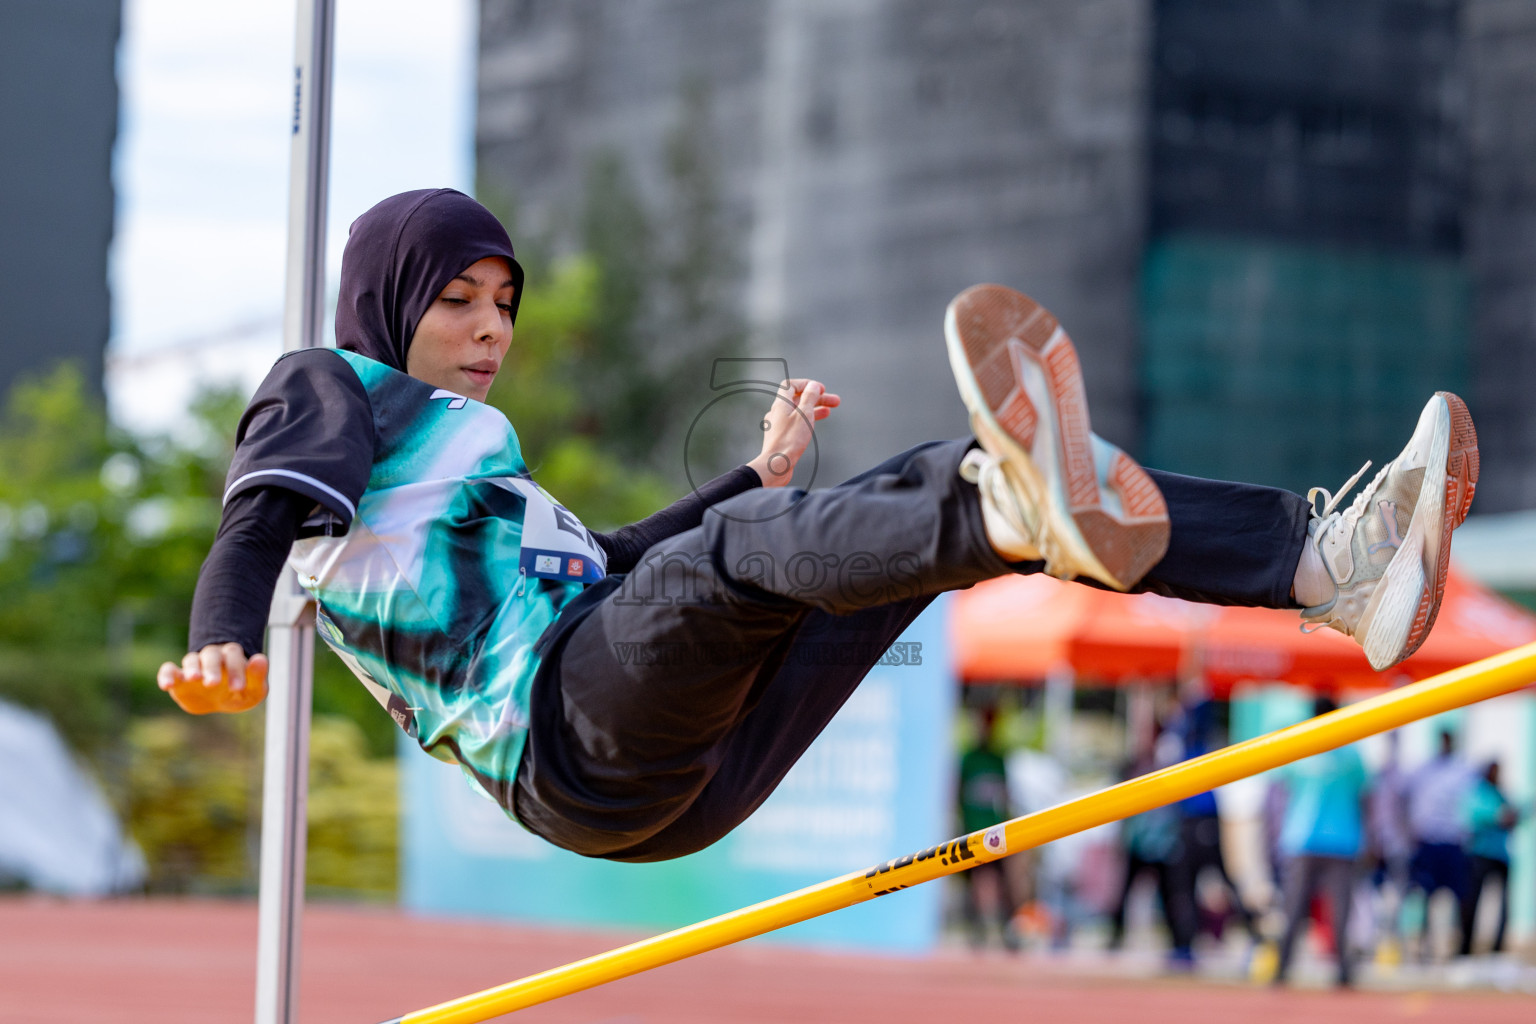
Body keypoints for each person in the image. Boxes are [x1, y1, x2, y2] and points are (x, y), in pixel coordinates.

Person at [156, 188, 1481, 863]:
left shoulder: (476, 471)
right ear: (385, 303)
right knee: (859, 531)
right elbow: (262, 515)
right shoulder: (332, 389)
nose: (492, 331)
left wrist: (751, 477)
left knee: (918, 503)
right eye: (458, 301)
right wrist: (225, 637)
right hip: (566, 739)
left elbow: (618, 570)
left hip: (671, 775)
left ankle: (1330, 567)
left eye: (504, 303)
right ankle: (1010, 501)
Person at [1273, 696, 1371, 988]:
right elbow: (1366, 798)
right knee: (1323, 910)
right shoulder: (1349, 753)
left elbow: (1281, 792)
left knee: (1303, 909)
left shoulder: (1315, 749)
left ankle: (1298, 968)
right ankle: (1292, 967)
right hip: (1326, 840)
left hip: (1315, 839)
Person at [1406, 730, 1474, 958]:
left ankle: (1458, 947)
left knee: (1459, 896)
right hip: (1428, 841)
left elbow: (1472, 803)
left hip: (1453, 842)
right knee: (1424, 893)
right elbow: (1406, 796)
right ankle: (1422, 944)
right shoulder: (1425, 770)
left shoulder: (1463, 772)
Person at [955, 708, 1019, 950]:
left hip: (996, 832)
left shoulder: (998, 759)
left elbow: (1005, 795)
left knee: (1003, 883)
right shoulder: (968, 759)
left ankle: (1008, 931)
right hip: (973, 831)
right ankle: (977, 930)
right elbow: (959, 794)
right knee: (975, 883)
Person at [1458, 760, 1521, 956]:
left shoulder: (1500, 794)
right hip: (1481, 853)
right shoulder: (1478, 792)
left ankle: (1497, 948)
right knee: (1472, 901)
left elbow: (1511, 818)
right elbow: (1476, 815)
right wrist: (1499, 817)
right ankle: (1466, 947)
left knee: (1504, 904)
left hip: (1500, 855)